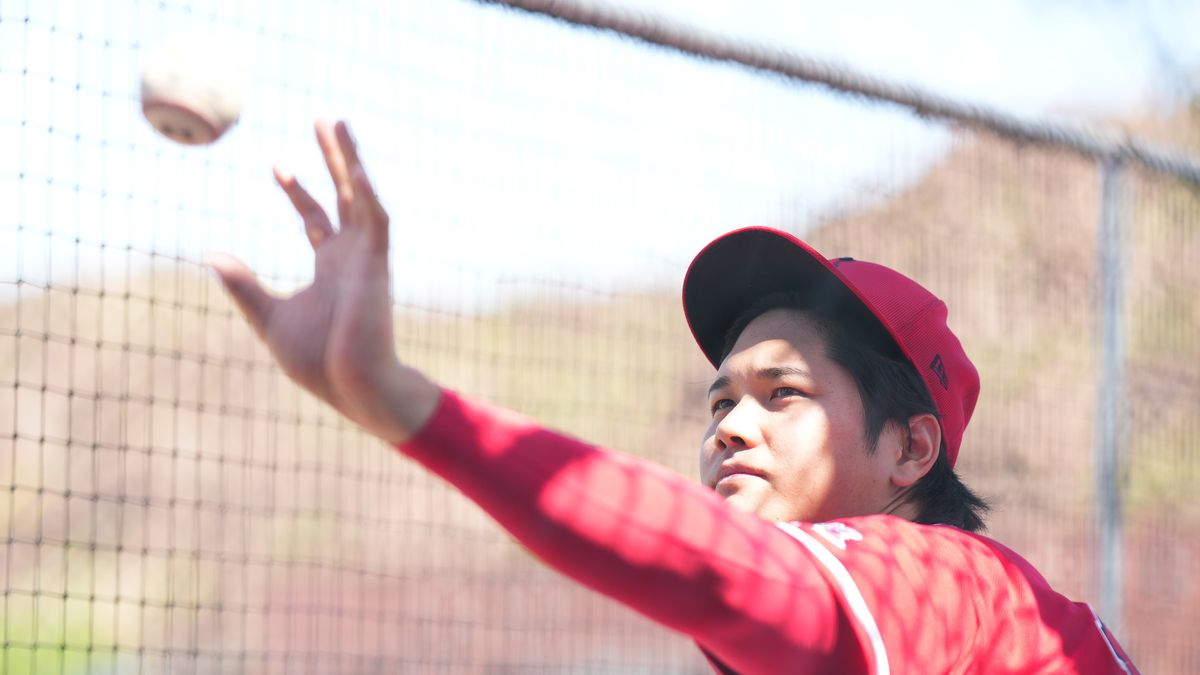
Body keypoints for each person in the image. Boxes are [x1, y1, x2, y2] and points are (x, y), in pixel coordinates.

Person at [209, 120, 1141, 674]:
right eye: (720, 401)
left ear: (910, 448)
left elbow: (714, 565)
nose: (731, 424)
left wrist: (401, 400)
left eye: (784, 392)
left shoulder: (948, 586)